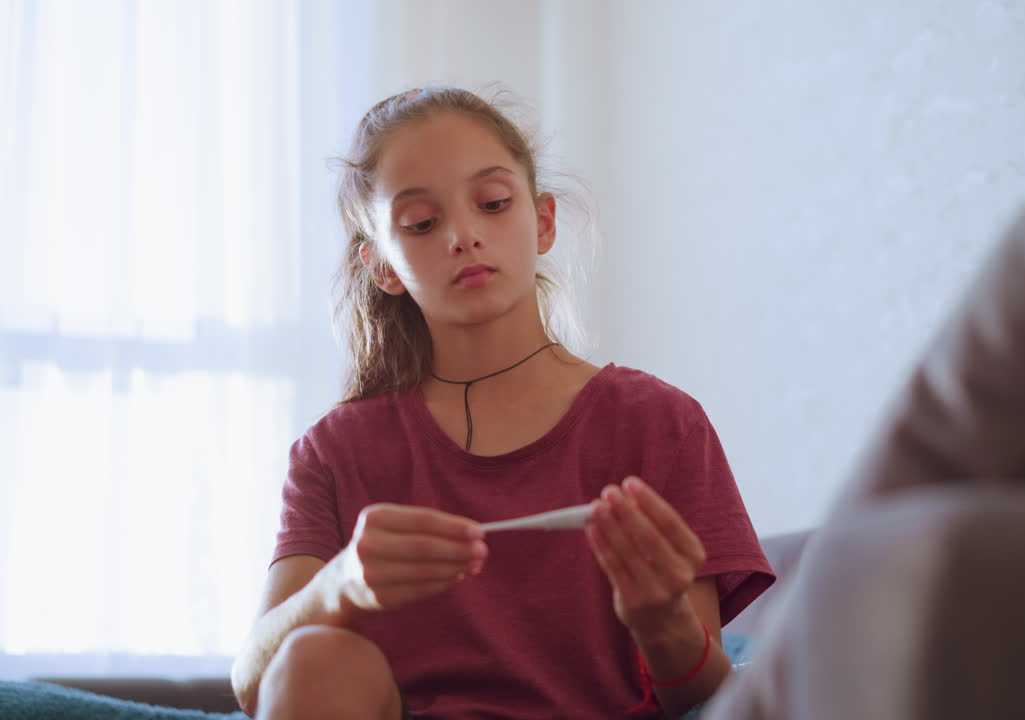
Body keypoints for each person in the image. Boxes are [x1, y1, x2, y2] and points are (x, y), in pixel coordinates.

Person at [230, 86, 774, 720]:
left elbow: (706, 700)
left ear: (542, 222)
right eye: (422, 224)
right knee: (314, 658)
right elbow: (253, 679)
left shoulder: (657, 423)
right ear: (382, 266)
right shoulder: (334, 453)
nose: (464, 235)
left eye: (492, 203)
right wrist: (340, 583)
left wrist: (661, 622)